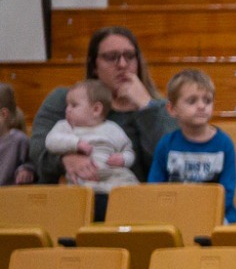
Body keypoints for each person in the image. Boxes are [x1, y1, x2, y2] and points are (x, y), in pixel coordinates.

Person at [27, 25, 171, 188]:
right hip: (75, 199)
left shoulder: (160, 108)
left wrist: (147, 107)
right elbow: (37, 148)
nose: (123, 64)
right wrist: (63, 159)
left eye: (130, 56)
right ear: (94, 66)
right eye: (111, 57)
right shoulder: (65, 100)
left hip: (135, 202)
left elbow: (171, 163)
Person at [149, 69, 236, 221]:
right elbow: (155, 187)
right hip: (174, 214)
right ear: (172, 109)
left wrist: (200, 213)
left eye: (207, 100)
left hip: (216, 215)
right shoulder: (166, 144)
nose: (201, 106)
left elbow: (227, 191)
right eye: (192, 101)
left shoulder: (224, 143)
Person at [43, 81, 137, 191]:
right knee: (80, 187)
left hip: (112, 172)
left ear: (96, 109)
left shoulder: (112, 128)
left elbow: (128, 151)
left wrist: (124, 159)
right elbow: (51, 141)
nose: (67, 109)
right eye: (67, 105)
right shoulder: (65, 126)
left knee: (129, 180)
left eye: (74, 105)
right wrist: (75, 144)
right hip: (82, 176)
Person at [1, 85, 35, 184]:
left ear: (3, 114)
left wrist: (25, 170)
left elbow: (31, 163)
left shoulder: (19, 140)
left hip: (10, 197)